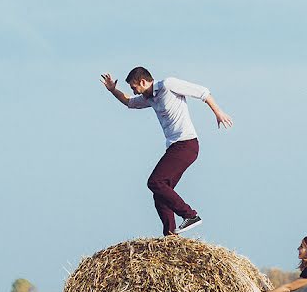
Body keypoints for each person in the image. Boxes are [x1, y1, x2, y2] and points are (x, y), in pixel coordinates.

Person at [100, 67, 233, 236]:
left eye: (135, 87)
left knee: (155, 182)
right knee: (160, 195)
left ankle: (190, 215)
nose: (135, 92)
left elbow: (202, 92)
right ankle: (170, 237)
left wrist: (218, 112)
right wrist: (113, 90)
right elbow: (129, 102)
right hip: (175, 148)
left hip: (186, 144)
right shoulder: (149, 98)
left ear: (143, 82)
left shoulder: (168, 85)